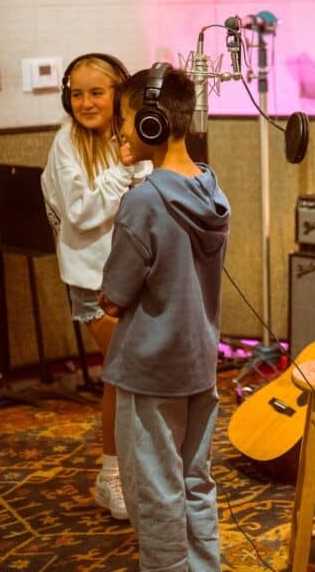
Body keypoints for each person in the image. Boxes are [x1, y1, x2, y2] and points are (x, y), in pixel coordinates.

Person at [98, 63, 230, 572]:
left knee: (154, 492)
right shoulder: (213, 189)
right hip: (199, 363)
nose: (122, 131)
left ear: (151, 122)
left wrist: (107, 297)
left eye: (126, 119)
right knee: (196, 480)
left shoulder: (144, 201)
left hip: (150, 369)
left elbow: (116, 291)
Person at [40, 53, 151, 521]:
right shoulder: (66, 143)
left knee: (137, 378)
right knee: (125, 377)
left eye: (96, 92)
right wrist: (126, 170)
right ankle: (111, 478)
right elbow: (82, 214)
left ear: (119, 92)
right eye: (77, 93)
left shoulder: (132, 134)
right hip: (94, 283)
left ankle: (137, 471)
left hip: (137, 275)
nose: (85, 102)